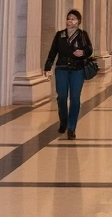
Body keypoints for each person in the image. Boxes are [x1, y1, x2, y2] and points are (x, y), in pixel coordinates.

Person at [43, 9, 93, 139]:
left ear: (78, 22)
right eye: (68, 18)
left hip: (78, 70)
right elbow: (53, 51)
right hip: (62, 68)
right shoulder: (60, 35)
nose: (69, 21)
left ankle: (71, 127)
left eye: (72, 19)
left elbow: (89, 49)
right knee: (61, 97)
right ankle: (63, 121)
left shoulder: (82, 35)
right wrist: (48, 66)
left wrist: (83, 52)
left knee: (75, 98)